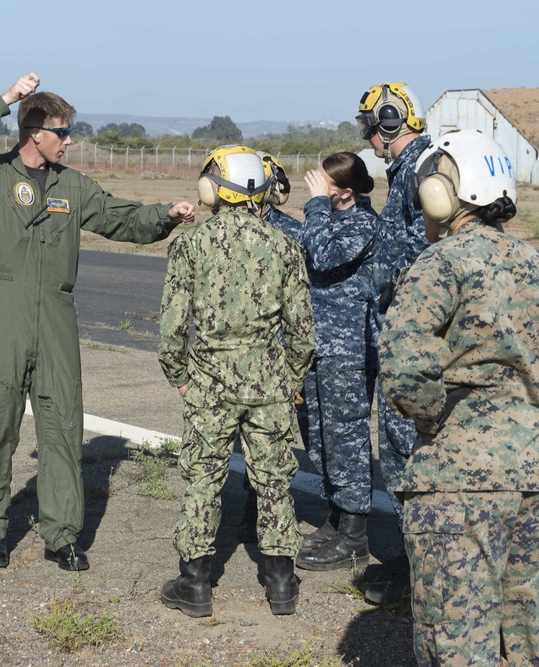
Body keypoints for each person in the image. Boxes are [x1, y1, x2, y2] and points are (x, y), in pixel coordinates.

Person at [380, 128, 539, 666]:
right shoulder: (538, 265)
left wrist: (433, 421)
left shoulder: (439, 263)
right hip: (538, 471)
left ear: (446, 193)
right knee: (537, 634)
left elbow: (403, 366)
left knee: (458, 637)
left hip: (459, 480)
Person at [0, 72, 195, 572]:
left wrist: (166, 213)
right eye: (63, 131)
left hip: (55, 318)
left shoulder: (71, 186)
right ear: (36, 132)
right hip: (0, 318)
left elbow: (120, 218)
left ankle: (62, 536)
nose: (70, 140)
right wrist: (8, 98)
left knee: (61, 427)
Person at [158, 145, 314, 617]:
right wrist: (289, 382)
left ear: (212, 190)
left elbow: (171, 330)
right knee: (274, 481)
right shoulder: (285, 245)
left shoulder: (190, 244)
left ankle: (196, 584)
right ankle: (281, 584)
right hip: (268, 385)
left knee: (203, 479)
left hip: (209, 383)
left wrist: (181, 377)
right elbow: (303, 333)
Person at [354, 81, 433, 605]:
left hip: (411, 341)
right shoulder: (412, 171)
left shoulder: (420, 172)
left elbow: (420, 254)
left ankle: (421, 567)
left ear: (387, 123)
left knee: (408, 453)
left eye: (372, 128)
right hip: (405, 333)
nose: (371, 140)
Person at [292, 152, 383, 571]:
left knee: (345, 438)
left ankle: (354, 536)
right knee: (318, 435)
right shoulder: (330, 218)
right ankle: (335, 516)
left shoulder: (363, 223)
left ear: (345, 192)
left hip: (347, 350)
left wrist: (313, 207)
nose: (314, 185)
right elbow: (304, 241)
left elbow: (323, 256)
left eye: (323, 182)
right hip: (318, 344)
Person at [235, 150, 304, 545]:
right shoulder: (259, 233)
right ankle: (254, 517)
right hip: (261, 360)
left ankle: (262, 518)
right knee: (259, 443)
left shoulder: (287, 234)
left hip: (272, 357)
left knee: (270, 447)